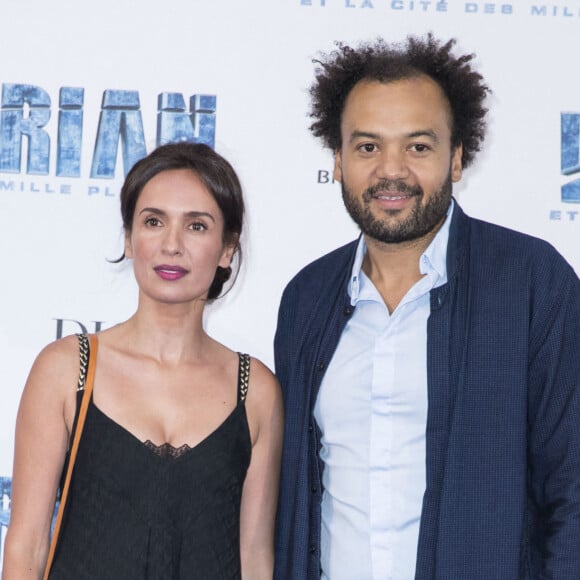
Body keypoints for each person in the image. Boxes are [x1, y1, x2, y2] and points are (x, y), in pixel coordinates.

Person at [274, 34, 580, 579]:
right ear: (338, 161)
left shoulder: (532, 281)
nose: (391, 171)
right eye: (368, 147)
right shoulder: (307, 299)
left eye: (418, 146)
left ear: (457, 157)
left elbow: (572, 492)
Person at [3, 142, 284, 580]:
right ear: (130, 240)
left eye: (196, 226)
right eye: (153, 221)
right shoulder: (66, 368)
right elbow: (26, 548)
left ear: (227, 249)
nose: (171, 245)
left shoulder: (256, 390)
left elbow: (254, 559)